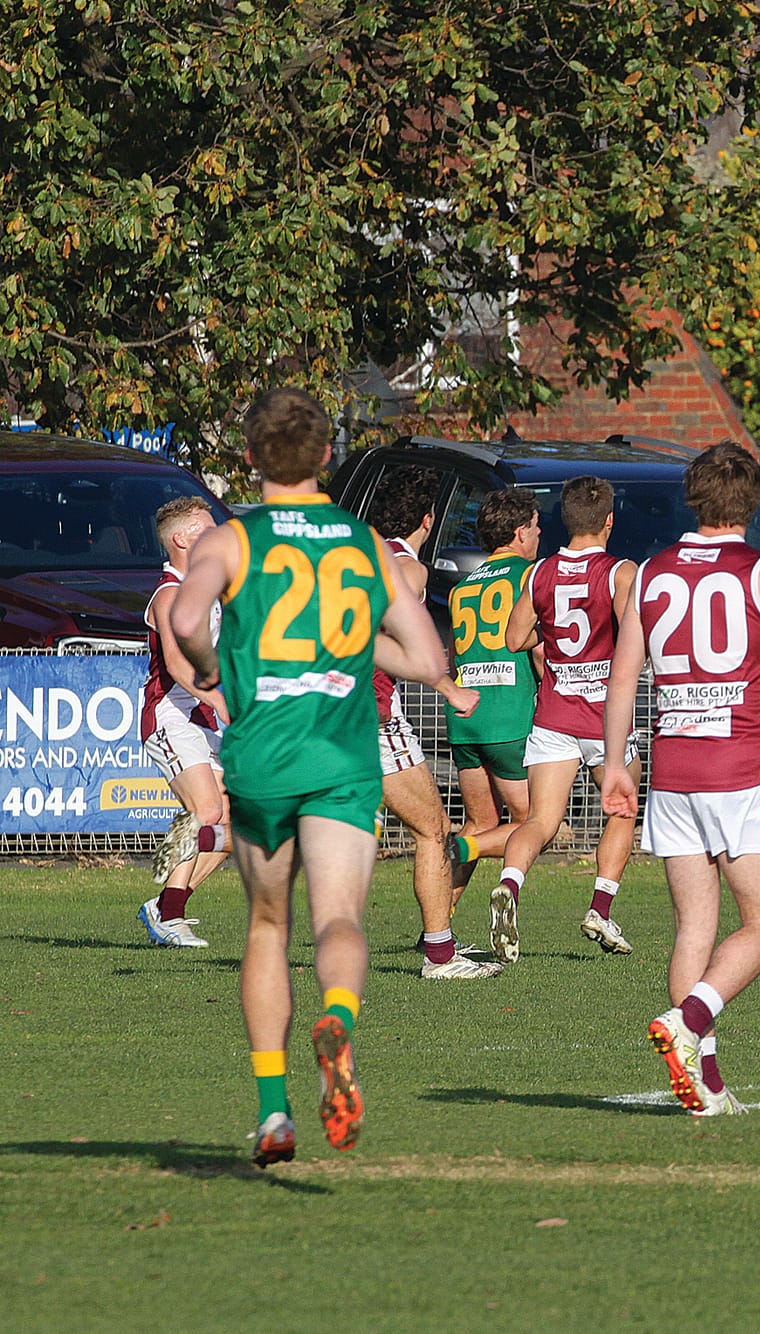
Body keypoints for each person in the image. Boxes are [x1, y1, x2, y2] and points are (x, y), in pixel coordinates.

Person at [172, 386, 449, 1166]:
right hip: (341, 757)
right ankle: (339, 1022)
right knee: (341, 921)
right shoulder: (363, 542)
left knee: (268, 926)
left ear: (251, 458)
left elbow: (188, 622)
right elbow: (426, 658)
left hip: (263, 758)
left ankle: (271, 1113)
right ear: (327, 456)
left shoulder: (230, 541)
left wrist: (207, 668)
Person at [604, 443, 760, 1116]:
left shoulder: (650, 572)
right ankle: (688, 1022)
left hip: (672, 768)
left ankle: (707, 1082)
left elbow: (622, 677)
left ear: (692, 497)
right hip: (734, 768)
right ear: (755, 502)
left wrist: (615, 760)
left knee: (695, 930)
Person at [496, 476, 641, 961]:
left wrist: (555, 642)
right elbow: (634, 636)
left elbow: (515, 638)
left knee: (540, 819)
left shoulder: (538, 574)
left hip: (554, 713)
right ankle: (600, 907)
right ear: (609, 521)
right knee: (622, 809)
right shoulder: (620, 572)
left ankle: (509, 888)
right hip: (606, 715)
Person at [365, 470, 501, 979]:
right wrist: (447, 687)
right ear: (429, 520)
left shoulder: (352, 560)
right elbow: (395, 641)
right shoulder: (409, 571)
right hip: (373, 713)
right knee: (434, 828)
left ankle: (216, 830)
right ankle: (439, 955)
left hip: (330, 706)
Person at [137, 497, 231, 948]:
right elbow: (176, 665)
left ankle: (165, 906)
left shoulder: (203, 589)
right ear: (181, 539)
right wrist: (219, 699)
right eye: (206, 529)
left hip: (201, 716)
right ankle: (168, 912)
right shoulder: (170, 593)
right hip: (170, 713)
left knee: (234, 830)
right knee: (206, 811)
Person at [443, 488, 542, 892]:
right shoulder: (531, 576)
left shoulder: (460, 588)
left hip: (465, 718)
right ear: (520, 533)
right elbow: (540, 649)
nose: (539, 537)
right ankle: (464, 854)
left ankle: (438, 928)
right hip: (508, 714)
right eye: (536, 528)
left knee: (480, 823)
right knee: (534, 824)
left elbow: (454, 660)